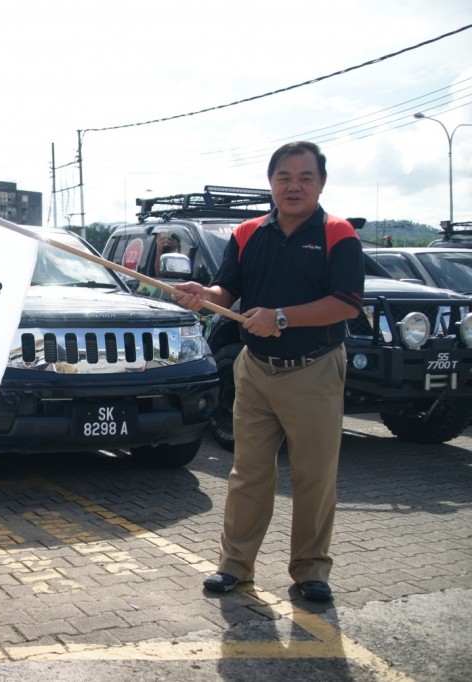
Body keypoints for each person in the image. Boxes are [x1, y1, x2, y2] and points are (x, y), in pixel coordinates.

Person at [171, 141, 364, 603]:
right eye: (284, 177)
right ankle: (235, 566)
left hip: (314, 371)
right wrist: (206, 293)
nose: (294, 186)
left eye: (305, 177)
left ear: (321, 182)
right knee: (248, 473)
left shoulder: (339, 235)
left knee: (314, 475)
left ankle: (311, 571)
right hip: (254, 370)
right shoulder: (246, 233)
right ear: (271, 181)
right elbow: (228, 291)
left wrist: (281, 317)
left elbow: (347, 305)